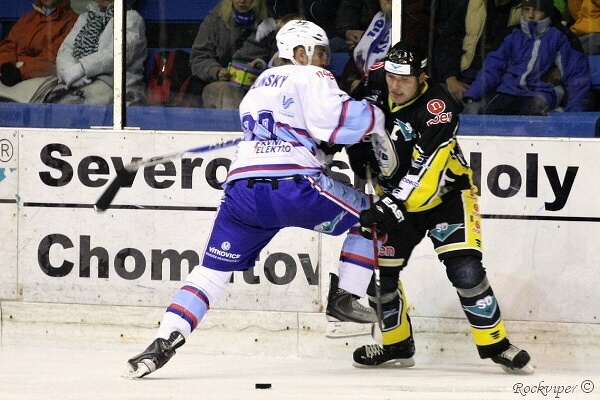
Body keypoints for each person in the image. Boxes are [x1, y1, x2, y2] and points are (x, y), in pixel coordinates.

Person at [122, 19, 387, 379]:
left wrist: (318, 148)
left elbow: (299, 129)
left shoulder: (259, 84)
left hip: (242, 190)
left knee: (211, 273)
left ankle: (164, 340)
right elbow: (340, 120)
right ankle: (346, 297)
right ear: (300, 53)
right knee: (376, 216)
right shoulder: (312, 75)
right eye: (321, 52)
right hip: (293, 185)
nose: (326, 61)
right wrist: (377, 111)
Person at [338, 40, 534, 374]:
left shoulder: (439, 108)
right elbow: (346, 114)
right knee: (379, 275)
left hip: (446, 197)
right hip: (394, 196)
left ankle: (497, 345)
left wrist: (388, 206)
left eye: (405, 79)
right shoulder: (377, 80)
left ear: (422, 77)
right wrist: (353, 144)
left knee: (466, 271)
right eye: (391, 77)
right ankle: (397, 345)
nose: (395, 86)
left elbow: (425, 174)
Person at [461, 0, 590, 114]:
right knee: (484, 112)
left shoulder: (560, 36)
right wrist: (473, 93)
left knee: (533, 114)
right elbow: (492, 68)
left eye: (537, 10)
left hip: (542, 92)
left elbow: (576, 74)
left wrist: (575, 112)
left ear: (547, 12)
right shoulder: (511, 35)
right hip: (509, 91)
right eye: (526, 9)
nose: (530, 15)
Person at [45, 0, 147, 105]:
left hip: (116, 86)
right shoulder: (85, 18)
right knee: (50, 102)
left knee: (70, 105)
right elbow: (66, 49)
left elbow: (118, 53)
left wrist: (82, 68)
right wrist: (69, 71)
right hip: (79, 82)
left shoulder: (131, 18)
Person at [189, 0, 278, 109]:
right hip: (221, 84)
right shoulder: (215, 20)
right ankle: (234, 120)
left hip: (258, 85)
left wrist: (262, 65)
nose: (242, 1)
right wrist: (216, 71)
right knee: (227, 91)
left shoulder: (269, 23)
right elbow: (199, 57)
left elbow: (279, 61)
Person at [0, 0, 78, 88]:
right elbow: (9, 44)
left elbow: (53, 58)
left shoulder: (73, 22)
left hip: (40, 79)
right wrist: (5, 64)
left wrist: (20, 72)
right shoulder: (28, 18)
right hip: (10, 73)